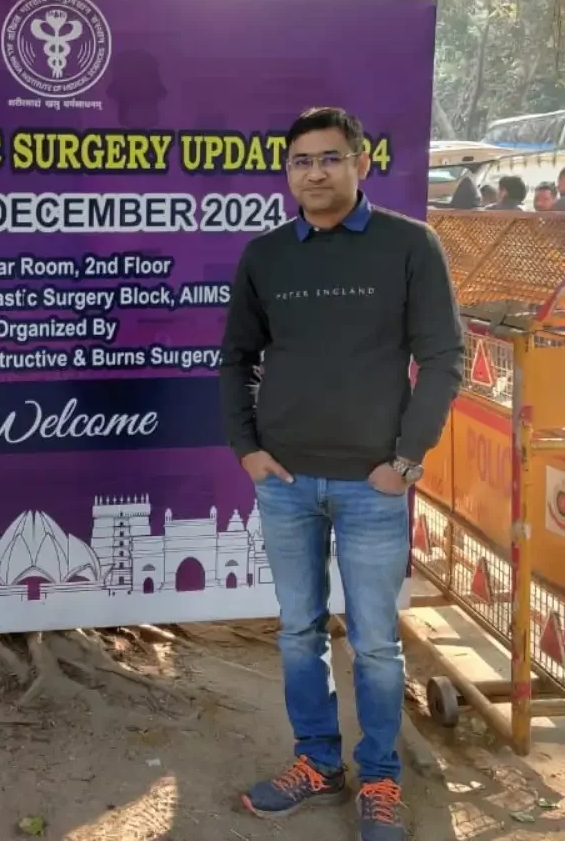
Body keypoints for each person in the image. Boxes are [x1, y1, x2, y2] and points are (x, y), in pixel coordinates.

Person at [219, 107, 464, 841]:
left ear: (361, 163)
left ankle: (381, 778)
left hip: (372, 486)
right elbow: (236, 359)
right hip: (286, 485)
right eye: (301, 161)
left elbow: (443, 358)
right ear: (287, 174)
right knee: (299, 632)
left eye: (329, 158)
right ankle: (317, 762)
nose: (315, 172)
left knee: (376, 643)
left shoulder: (409, 245)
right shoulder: (266, 255)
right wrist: (248, 450)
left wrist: (406, 461)